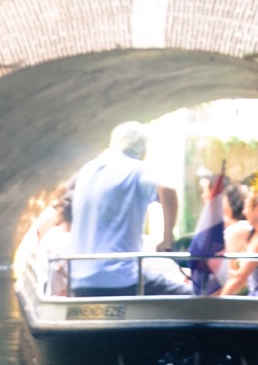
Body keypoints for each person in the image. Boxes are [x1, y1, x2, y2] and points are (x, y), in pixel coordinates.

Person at [68, 122, 189, 294]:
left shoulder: (87, 170)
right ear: (143, 150)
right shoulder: (136, 170)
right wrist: (167, 239)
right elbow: (167, 190)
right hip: (123, 281)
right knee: (191, 295)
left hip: (79, 281)